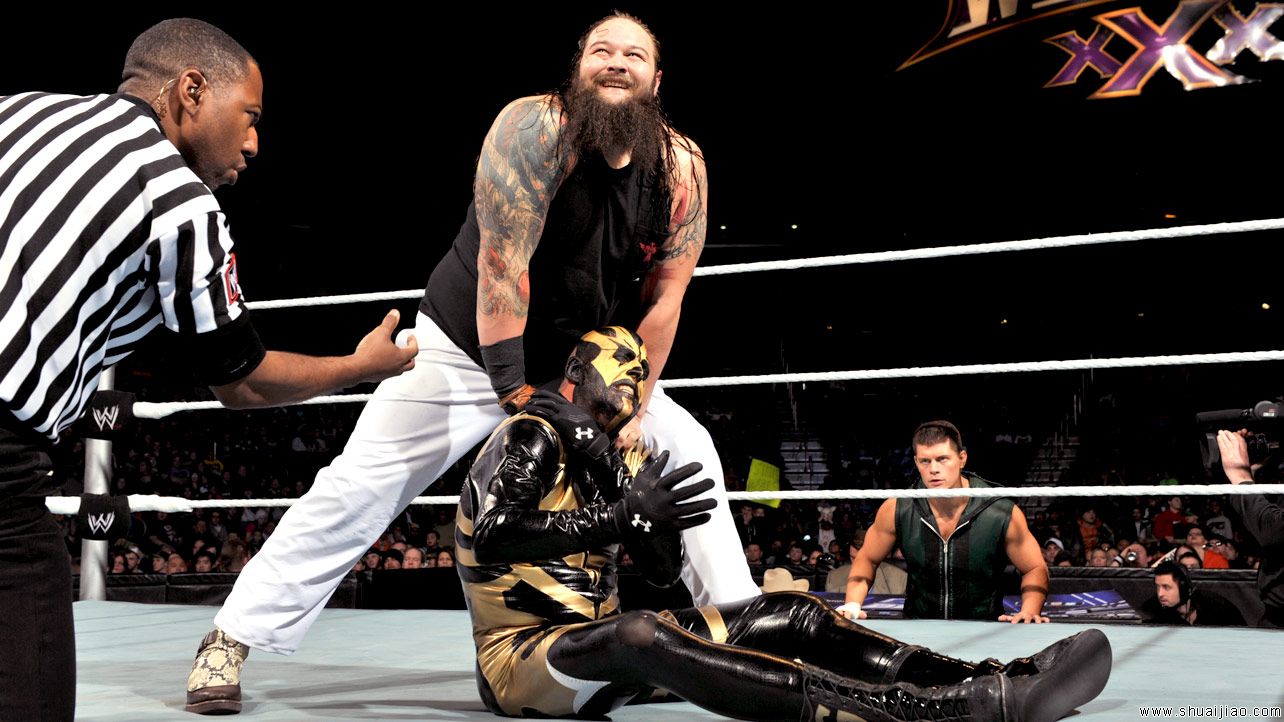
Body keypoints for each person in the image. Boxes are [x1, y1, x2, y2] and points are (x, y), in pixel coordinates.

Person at [186, 12, 757, 715]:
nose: (616, 62)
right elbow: (501, 268)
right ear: (577, 69)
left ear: (656, 80)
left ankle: (748, 635)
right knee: (363, 482)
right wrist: (516, 394)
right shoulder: (534, 130)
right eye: (601, 50)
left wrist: (633, 404)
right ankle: (232, 637)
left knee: (688, 450)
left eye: (633, 54)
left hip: (584, 368)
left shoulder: (679, 167)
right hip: (468, 347)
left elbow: (665, 300)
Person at [0, 18, 415, 721]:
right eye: (249, 116)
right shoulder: (180, 201)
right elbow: (242, 379)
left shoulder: (20, 112)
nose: (253, 144)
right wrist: (359, 366)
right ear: (191, 91)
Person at [455, 326, 1111, 721]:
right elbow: (493, 535)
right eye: (618, 367)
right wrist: (620, 514)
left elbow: (656, 575)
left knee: (789, 613)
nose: (633, 380)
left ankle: (982, 679)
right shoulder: (531, 436)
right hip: (524, 665)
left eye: (640, 375)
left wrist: (649, 519)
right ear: (577, 373)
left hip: (597, 653)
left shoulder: (612, 455)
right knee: (641, 633)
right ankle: (906, 712)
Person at [840, 421, 1050, 622]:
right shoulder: (898, 508)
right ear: (916, 462)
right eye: (925, 461)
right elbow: (867, 558)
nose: (933, 469)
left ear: (962, 459)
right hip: (917, 628)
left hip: (984, 627)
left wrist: (1030, 610)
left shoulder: (999, 511)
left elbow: (1034, 568)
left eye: (942, 459)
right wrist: (852, 605)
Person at [1217, 429, 1284, 628]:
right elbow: (1255, 530)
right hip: (1274, 612)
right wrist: (1251, 470)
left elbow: (1274, 531)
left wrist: (1241, 477)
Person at [1141, 561, 1245, 627]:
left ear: (1183, 588)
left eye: (1166, 587)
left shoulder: (1216, 606)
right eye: (1158, 587)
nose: (1160, 594)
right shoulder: (1152, 610)